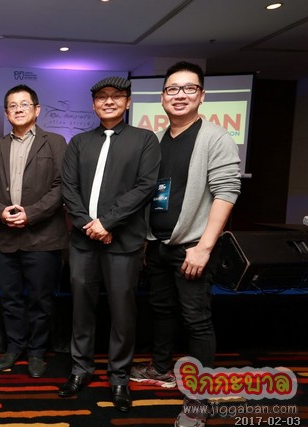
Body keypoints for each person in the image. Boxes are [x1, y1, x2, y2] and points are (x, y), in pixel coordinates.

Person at [129, 62, 241, 427]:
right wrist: (147, 240)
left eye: (189, 88)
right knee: (161, 310)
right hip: (159, 244)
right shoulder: (157, 140)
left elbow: (227, 191)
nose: (180, 95)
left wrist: (204, 247)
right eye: (172, 89)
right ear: (162, 97)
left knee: (197, 321)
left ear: (202, 95)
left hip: (193, 247)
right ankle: (161, 367)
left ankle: (198, 399)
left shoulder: (215, 137)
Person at [59, 76, 161, 412]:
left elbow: (145, 187)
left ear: (128, 102)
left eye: (116, 96)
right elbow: (69, 187)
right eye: (102, 97)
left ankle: (119, 377)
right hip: (83, 242)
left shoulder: (145, 140)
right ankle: (80, 369)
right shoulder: (79, 142)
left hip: (123, 241)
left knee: (122, 311)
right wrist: (90, 226)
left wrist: (107, 222)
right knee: (81, 308)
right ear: (93, 105)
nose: (109, 101)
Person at [0, 84, 67, 378]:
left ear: (37, 109)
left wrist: (31, 214)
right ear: (6, 113)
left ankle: (37, 351)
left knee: (41, 300)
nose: (18, 109)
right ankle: (14, 346)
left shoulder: (55, 143)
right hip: (6, 236)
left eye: (24, 104)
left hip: (43, 237)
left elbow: (61, 187)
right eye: (13, 106)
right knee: (11, 298)